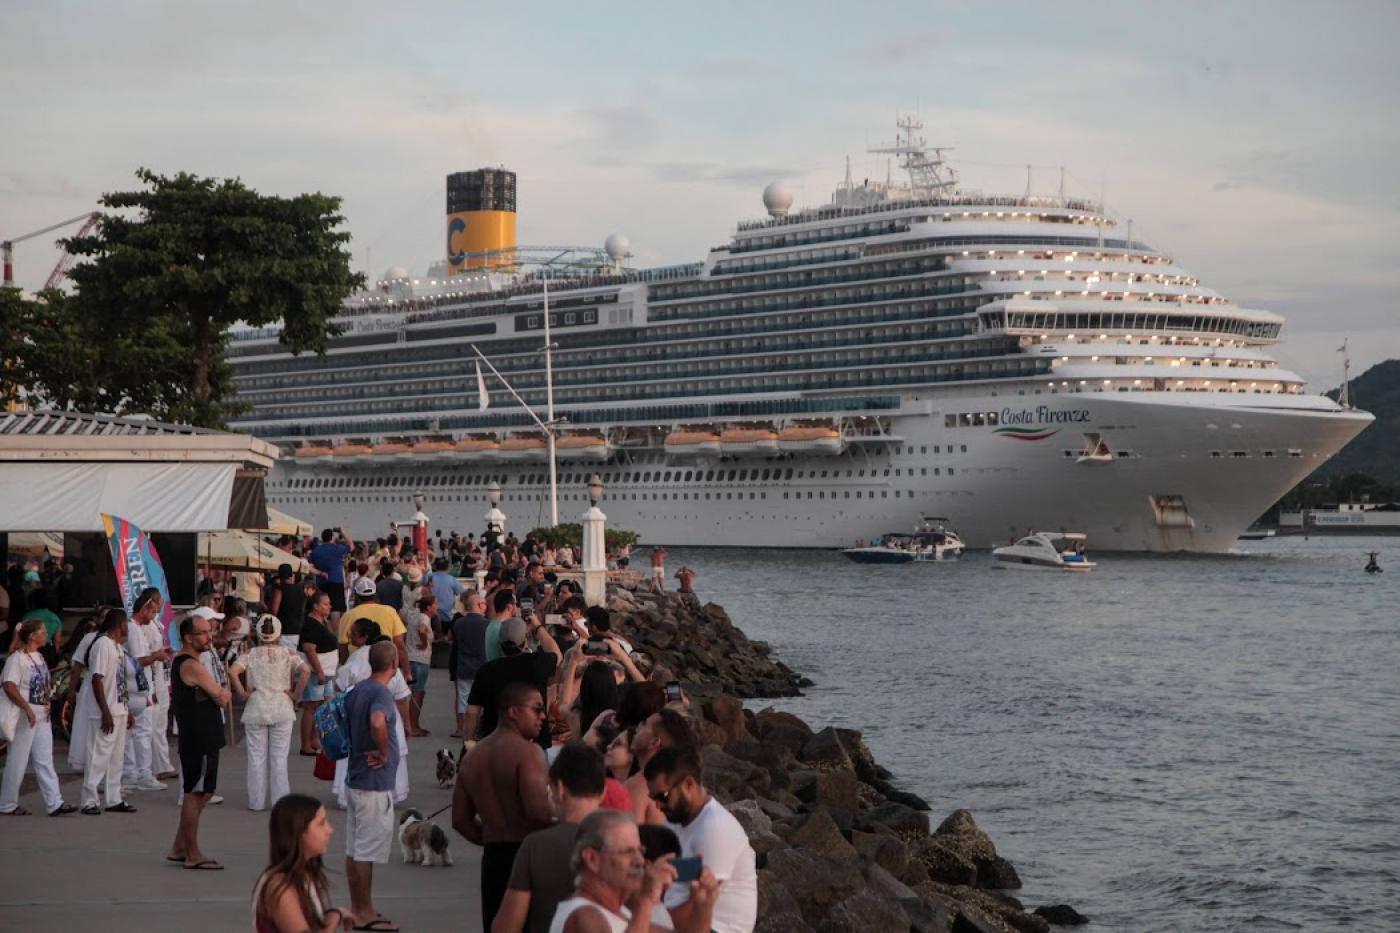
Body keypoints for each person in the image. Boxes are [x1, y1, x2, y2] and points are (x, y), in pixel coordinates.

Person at [454, 681, 554, 931]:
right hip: (528, 856)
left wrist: (492, 838)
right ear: (513, 712)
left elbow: (460, 820)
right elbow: (537, 812)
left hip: (494, 858)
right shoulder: (528, 753)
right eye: (537, 709)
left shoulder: (473, 756)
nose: (543, 716)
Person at [493, 742, 607, 933]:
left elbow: (506, 927)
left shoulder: (536, 846)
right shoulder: (626, 841)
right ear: (603, 791)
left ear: (559, 789)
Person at [547, 808, 717, 933]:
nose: (640, 861)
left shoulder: (621, 914)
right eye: (627, 852)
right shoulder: (584, 915)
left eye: (640, 851)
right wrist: (647, 900)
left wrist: (703, 907)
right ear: (592, 859)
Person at [645, 746, 757, 933]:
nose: (657, 805)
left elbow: (696, 910)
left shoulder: (715, 830)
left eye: (662, 796)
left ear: (689, 784)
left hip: (716, 927)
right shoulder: (676, 819)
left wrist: (641, 919)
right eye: (652, 797)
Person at [342, 641, 402, 933]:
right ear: (395, 664)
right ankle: (364, 912)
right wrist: (385, 752)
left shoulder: (359, 690)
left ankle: (358, 907)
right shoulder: (380, 693)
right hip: (373, 783)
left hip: (355, 778)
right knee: (366, 850)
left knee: (355, 850)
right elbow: (378, 721)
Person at [168, 611, 233, 868]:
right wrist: (221, 691)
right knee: (196, 793)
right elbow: (221, 697)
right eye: (203, 633)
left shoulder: (191, 661)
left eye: (210, 632)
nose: (209, 637)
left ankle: (179, 846)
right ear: (188, 638)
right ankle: (192, 853)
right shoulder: (191, 665)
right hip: (200, 736)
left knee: (201, 792)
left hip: (200, 735)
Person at [230, 615, 309, 811]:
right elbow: (306, 671)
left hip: (256, 706)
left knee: (256, 758)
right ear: (278, 631)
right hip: (281, 707)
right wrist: (295, 695)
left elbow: (232, 671)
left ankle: (256, 802)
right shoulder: (288, 653)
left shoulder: (250, 654)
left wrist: (243, 693)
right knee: (279, 758)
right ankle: (280, 802)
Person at [1, 619, 76, 816]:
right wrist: (26, 707)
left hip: (41, 716)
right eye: (42, 632)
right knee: (17, 761)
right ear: (32, 636)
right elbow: (9, 685)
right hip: (26, 717)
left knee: (44, 760)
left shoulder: (39, 657)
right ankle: (7, 803)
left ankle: (55, 803)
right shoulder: (17, 659)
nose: (46, 635)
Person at [334, 620, 411, 806]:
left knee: (356, 755)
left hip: (356, 718)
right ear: (393, 664)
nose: (349, 637)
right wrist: (408, 725)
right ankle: (388, 794)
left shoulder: (355, 662)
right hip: (385, 719)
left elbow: (338, 691)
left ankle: (349, 795)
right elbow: (399, 701)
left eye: (353, 632)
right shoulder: (382, 688)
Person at [251, 793, 347, 933]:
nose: (329, 830)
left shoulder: (304, 873)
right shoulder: (280, 886)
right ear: (298, 832)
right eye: (321, 823)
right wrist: (334, 916)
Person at [464, 617, 562, 752]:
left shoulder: (486, 670)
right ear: (524, 641)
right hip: (534, 744)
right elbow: (556, 654)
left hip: (495, 743)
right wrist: (538, 626)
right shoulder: (537, 663)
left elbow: (471, 713)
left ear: (500, 642)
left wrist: (467, 745)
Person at [78, 609, 136, 815]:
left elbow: (120, 682)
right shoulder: (103, 644)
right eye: (126, 625)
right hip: (105, 711)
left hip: (118, 708)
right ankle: (89, 800)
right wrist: (105, 711)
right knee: (98, 755)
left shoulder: (117, 647)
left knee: (116, 757)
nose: (128, 628)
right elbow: (97, 678)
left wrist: (126, 709)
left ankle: (113, 798)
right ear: (120, 625)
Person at [122, 587, 173, 792]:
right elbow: (138, 661)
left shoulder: (138, 628)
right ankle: (142, 773)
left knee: (137, 732)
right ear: (144, 609)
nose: (154, 616)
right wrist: (156, 656)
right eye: (152, 611)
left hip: (143, 686)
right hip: (138, 689)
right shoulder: (134, 628)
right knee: (142, 732)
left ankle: (134, 772)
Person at [338, 577, 411, 687]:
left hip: (357, 668)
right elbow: (400, 644)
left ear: (357, 596)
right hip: (385, 668)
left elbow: (342, 647)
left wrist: (347, 666)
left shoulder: (348, 615)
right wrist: (407, 671)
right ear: (375, 594)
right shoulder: (389, 611)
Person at [626, 709, 694, 826]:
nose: (638, 727)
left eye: (644, 724)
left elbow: (625, 839)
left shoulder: (639, 786)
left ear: (653, 743)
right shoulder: (680, 785)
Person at [298, 591, 340, 756]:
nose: (329, 606)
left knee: (322, 707)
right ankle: (305, 744)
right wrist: (320, 671)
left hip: (326, 671)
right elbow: (309, 649)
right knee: (311, 706)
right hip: (317, 672)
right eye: (325, 604)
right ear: (315, 606)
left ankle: (314, 739)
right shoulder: (311, 624)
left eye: (329, 604)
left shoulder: (323, 621)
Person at [452, 590, 489, 738]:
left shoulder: (459, 623)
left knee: (463, 701)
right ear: (480, 605)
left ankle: (463, 729)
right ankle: (479, 730)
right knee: (483, 701)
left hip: (464, 667)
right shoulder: (487, 624)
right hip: (482, 667)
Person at [403, 593, 435, 738]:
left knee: (412, 690)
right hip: (421, 660)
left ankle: (409, 724)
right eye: (435, 605)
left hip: (411, 658)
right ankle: (413, 726)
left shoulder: (414, 615)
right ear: (429, 607)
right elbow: (422, 630)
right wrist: (423, 642)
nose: (437, 607)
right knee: (418, 692)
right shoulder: (424, 617)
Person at [309, 528, 354, 619]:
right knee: (335, 608)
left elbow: (310, 566)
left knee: (323, 604)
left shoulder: (316, 551)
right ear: (332, 538)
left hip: (321, 582)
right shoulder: (337, 549)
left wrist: (321, 573)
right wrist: (342, 531)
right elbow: (351, 546)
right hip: (336, 581)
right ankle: (334, 631)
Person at [267, 563, 306, 653]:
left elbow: (274, 610)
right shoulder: (300, 590)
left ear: (280, 575)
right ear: (291, 575)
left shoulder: (279, 590)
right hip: (297, 630)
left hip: (283, 631)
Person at [427, 557, 463, 628]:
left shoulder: (429, 577)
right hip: (446, 616)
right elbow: (462, 592)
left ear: (435, 566)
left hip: (430, 613)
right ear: (448, 568)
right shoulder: (451, 579)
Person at [484, 587, 517, 664]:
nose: (517, 607)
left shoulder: (493, 625)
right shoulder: (502, 628)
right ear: (509, 606)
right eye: (515, 604)